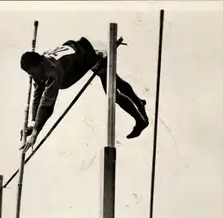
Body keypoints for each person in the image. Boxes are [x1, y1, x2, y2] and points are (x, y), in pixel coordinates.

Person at [20, 37, 149, 152]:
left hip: (94, 51)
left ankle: (140, 119)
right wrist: (32, 123)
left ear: (40, 65)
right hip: (83, 50)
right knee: (115, 83)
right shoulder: (41, 67)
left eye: (32, 73)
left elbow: (46, 105)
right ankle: (139, 103)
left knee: (112, 92)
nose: (32, 77)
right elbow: (38, 95)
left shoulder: (53, 71)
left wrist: (35, 134)